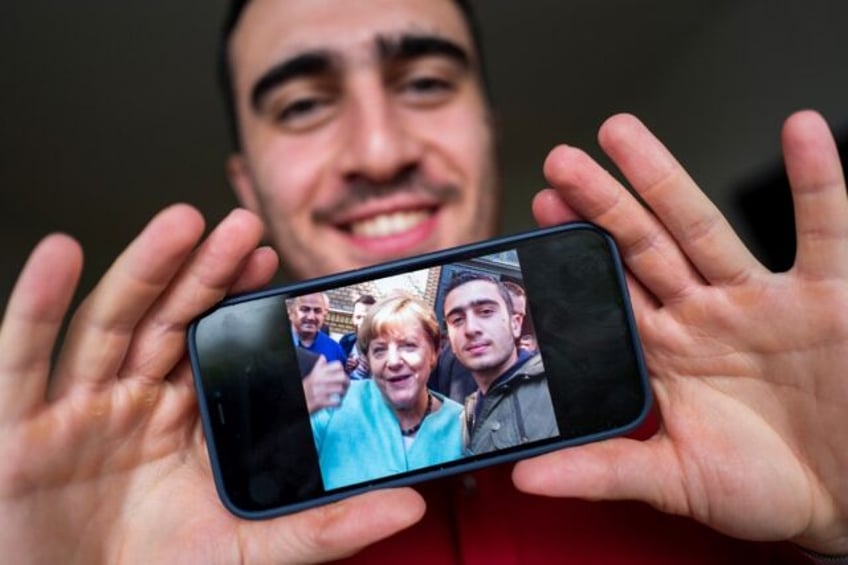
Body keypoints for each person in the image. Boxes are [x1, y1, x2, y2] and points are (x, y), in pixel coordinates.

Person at [0, 0, 846, 562]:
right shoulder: (167, 498)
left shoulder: (715, 417)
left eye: (426, 81)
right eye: (301, 104)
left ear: (485, 128)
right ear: (249, 181)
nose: (379, 148)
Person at [310, 294, 463, 490]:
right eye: (379, 350)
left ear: (434, 353)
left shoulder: (463, 425)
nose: (393, 362)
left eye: (408, 346)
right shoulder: (333, 402)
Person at [442, 271, 558, 454]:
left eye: (486, 312)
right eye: (457, 320)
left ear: (516, 324)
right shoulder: (467, 411)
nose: (471, 329)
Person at [288, 292, 346, 364]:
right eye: (305, 309)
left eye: (317, 311)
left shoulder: (335, 350)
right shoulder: (273, 342)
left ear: (324, 315)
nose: (311, 317)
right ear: (291, 311)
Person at [339, 293, 377, 379]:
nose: (362, 322)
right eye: (358, 317)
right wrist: (344, 367)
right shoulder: (346, 340)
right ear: (353, 319)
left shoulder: (383, 345)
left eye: (367, 318)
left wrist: (372, 371)